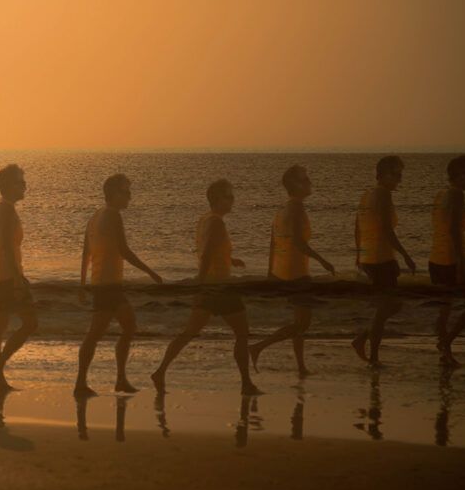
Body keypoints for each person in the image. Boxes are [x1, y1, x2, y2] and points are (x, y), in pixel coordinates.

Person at [151, 179, 261, 396]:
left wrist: (231, 260)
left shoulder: (206, 220)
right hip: (219, 287)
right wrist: (200, 282)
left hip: (211, 286)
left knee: (190, 332)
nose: (232, 200)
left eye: (232, 195)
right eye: (228, 196)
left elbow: (209, 250)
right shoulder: (216, 222)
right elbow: (208, 253)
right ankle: (246, 384)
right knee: (242, 333)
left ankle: (160, 371)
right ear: (217, 199)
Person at [74, 174, 163, 397]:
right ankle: (81, 383)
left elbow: (86, 253)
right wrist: (150, 271)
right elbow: (123, 250)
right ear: (113, 194)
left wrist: (83, 284)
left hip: (103, 284)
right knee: (96, 333)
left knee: (128, 326)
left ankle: (119, 379)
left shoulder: (95, 216)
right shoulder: (112, 215)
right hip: (108, 285)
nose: (130, 196)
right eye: (126, 191)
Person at [249, 165, 335, 376]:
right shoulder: (296, 208)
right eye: (306, 180)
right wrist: (322, 260)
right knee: (303, 323)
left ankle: (301, 367)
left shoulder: (282, 210)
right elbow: (298, 243)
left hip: (284, 271)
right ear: (296, 185)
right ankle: (259, 346)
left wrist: (271, 272)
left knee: (299, 321)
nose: (310, 183)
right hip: (297, 273)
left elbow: (273, 244)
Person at [353, 155, 415, 367]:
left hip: (371, 257)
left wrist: (359, 255)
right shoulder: (383, 195)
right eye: (395, 174)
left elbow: (357, 225)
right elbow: (388, 231)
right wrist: (406, 255)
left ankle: (362, 340)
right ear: (382, 174)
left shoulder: (367, 194)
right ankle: (373, 356)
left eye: (400, 174)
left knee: (392, 305)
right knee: (387, 306)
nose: (399, 178)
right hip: (381, 258)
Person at [0, 165, 37, 392]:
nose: (24, 185)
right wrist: (18, 279)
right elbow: (6, 246)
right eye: (20, 182)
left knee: (0, 325)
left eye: (23, 181)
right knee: (30, 323)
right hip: (5, 276)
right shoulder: (5, 209)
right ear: (8, 185)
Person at [429, 155, 465, 366]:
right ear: (456, 175)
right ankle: (446, 342)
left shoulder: (441, 194)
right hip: (452, 259)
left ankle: (444, 352)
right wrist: (460, 263)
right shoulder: (457, 195)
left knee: (445, 307)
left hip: (436, 259)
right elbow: (454, 231)